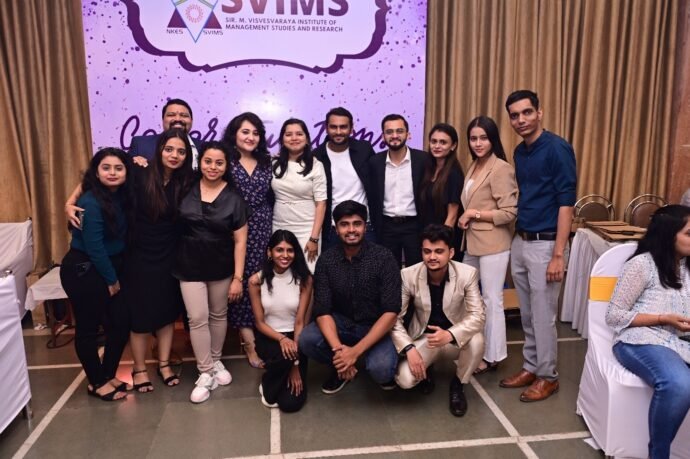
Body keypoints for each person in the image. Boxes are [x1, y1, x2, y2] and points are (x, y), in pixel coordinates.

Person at [498, 90, 576, 402]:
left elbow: (566, 203)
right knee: (528, 314)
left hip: (547, 245)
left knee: (543, 317)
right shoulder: (520, 152)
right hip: (522, 240)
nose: (521, 120)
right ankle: (531, 366)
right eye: (515, 115)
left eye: (527, 112)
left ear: (539, 113)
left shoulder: (557, 148)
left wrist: (558, 254)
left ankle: (548, 376)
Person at [606, 205, 690, 459]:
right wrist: (663, 318)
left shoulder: (687, 266)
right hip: (643, 339)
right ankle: (659, 454)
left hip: (682, 340)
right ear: (668, 234)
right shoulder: (642, 265)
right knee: (679, 384)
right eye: (689, 233)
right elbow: (614, 316)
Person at [173, 142, 249, 403]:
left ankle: (215, 361)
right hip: (188, 264)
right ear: (200, 162)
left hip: (221, 265)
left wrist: (238, 278)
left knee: (218, 315)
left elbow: (240, 241)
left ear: (226, 166)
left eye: (219, 163)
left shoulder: (235, 198)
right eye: (208, 161)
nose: (212, 167)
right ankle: (205, 371)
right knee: (197, 317)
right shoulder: (185, 188)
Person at [299, 200, 401, 393]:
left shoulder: (384, 258)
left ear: (365, 227)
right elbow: (322, 310)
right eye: (344, 224)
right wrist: (340, 353)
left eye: (357, 224)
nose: (351, 230)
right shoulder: (326, 260)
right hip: (342, 324)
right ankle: (340, 367)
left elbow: (391, 312)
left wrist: (354, 352)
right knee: (307, 339)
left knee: (382, 370)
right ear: (336, 229)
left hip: (374, 326)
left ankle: (359, 359)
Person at [59, 148, 135, 401]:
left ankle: (108, 374)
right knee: (88, 328)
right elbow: (95, 247)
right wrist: (111, 279)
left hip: (107, 266)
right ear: (96, 172)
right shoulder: (90, 202)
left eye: (118, 168)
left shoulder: (121, 196)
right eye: (106, 168)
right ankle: (96, 382)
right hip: (85, 270)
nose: (112, 173)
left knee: (121, 322)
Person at [392, 224, 485, 417]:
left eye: (439, 251)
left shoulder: (467, 274)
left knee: (477, 341)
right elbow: (394, 319)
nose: (432, 257)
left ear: (451, 253)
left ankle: (458, 384)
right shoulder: (408, 275)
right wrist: (409, 348)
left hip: (454, 340)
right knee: (405, 380)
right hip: (425, 339)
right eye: (427, 251)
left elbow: (478, 315)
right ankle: (427, 370)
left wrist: (450, 334)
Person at [458, 116, 518, 374]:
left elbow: (509, 213)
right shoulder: (474, 165)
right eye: (473, 138)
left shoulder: (501, 168)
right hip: (472, 242)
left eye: (483, 138)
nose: (478, 143)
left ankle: (492, 356)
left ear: (493, 139)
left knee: (491, 300)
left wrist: (474, 214)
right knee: (467, 295)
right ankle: (474, 348)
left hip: (494, 243)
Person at [222, 112, 273, 368]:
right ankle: (250, 347)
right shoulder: (225, 161)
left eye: (255, 133)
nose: (251, 137)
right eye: (245, 132)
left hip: (264, 229)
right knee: (239, 287)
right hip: (235, 229)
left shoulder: (267, 162)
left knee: (262, 284)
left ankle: (266, 338)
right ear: (234, 133)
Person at [249, 230, 312, 412]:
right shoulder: (256, 281)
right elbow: (259, 323)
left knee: (291, 404)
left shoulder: (305, 280)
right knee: (271, 397)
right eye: (279, 250)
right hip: (269, 336)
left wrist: (295, 364)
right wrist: (282, 339)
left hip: (296, 337)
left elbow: (300, 322)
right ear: (270, 252)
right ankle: (268, 379)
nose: (285, 255)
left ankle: (282, 370)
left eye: (290, 250)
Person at [369, 114, 429, 268]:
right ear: (383, 136)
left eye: (399, 131)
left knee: (417, 271)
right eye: (389, 132)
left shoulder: (423, 160)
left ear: (408, 134)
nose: (394, 135)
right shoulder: (375, 162)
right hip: (386, 227)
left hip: (415, 226)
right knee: (388, 271)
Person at [312, 107, 376, 248]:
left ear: (351, 128)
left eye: (343, 127)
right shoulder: (317, 156)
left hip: (365, 227)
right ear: (326, 128)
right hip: (332, 229)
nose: (338, 132)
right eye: (333, 127)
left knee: (370, 262)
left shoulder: (364, 149)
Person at [271, 118, 327, 272]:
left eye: (299, 134)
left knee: (307, 274)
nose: (294, 138)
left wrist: (314, 238)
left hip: (307, 229)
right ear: (282, 139)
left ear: (307, 139)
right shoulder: (273, 163)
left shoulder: (316, 166)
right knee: (281, 273)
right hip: (279, 226)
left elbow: (321, 204)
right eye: (288, 134)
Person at [419, 123, 464, 260]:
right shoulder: (428, 169)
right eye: (434, 141)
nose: (437, 146)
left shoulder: (454, 174)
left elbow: (452, 216)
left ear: (453, 146)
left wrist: (441, 243)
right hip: (428, 237)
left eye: (443, 142)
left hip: (443, 241)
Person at [129, 98, 203, 166]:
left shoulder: (203, 147)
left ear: (191, 121)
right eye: (171, 115)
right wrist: (133, 163)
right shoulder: (141, 144)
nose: (177, 119)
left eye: (184, 115)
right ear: (163, 120)